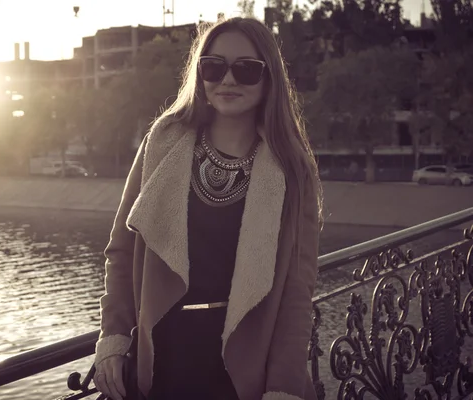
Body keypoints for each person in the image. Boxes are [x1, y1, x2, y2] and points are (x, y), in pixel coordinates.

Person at [93, 17, 323, 400]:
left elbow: (297, 292)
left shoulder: (292, 169)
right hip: (159, 361)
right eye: (214, 66)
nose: (228, 80)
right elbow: (122, 251)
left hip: (242, 368)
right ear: (199, 73)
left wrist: (283, 388)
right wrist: (114, 339)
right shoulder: (162, 142)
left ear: (269, 80)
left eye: (246, 70)